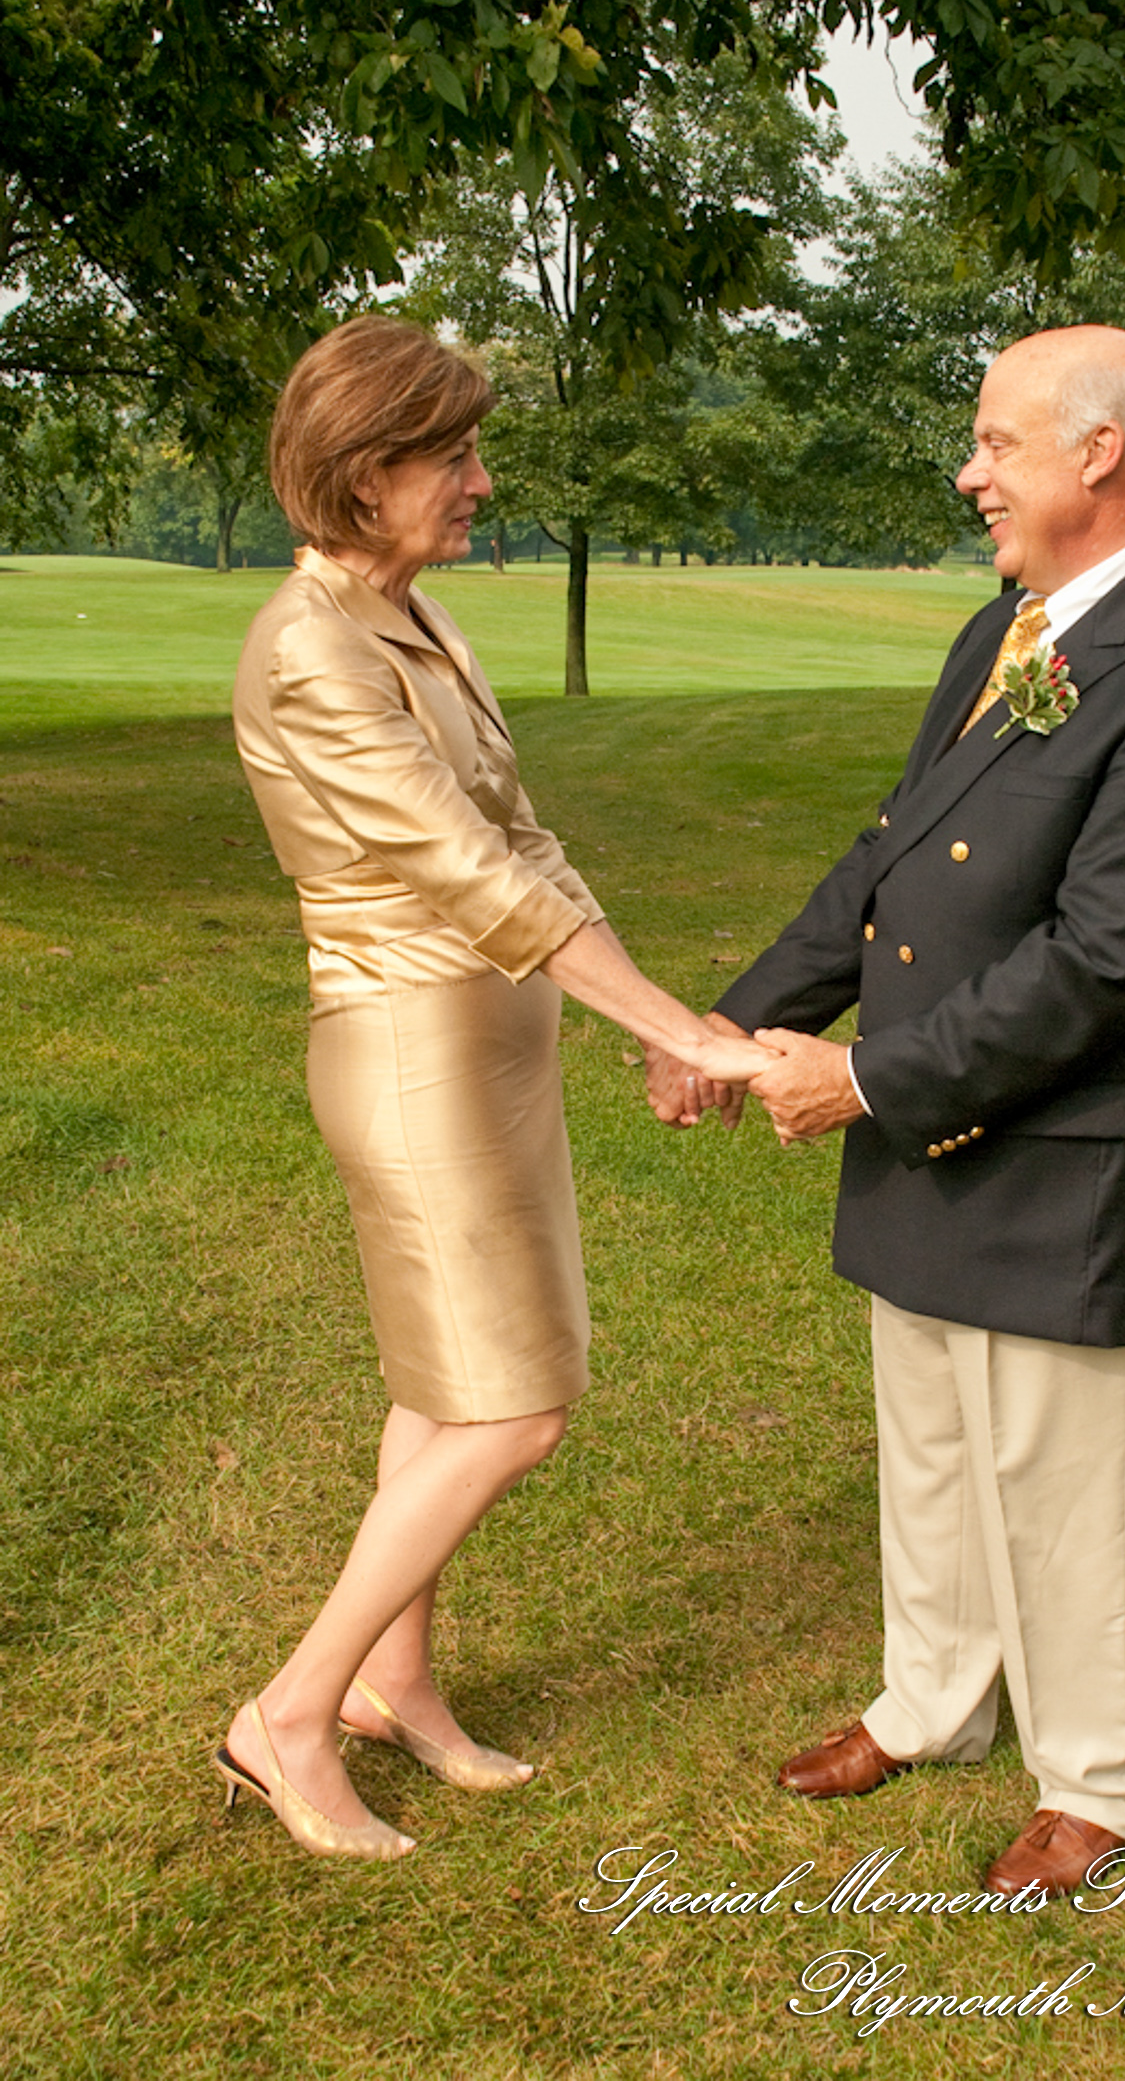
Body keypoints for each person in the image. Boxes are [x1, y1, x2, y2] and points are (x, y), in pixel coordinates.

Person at [654, 325, 1125, 1898]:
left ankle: (1097, 1779)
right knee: (931, 1447)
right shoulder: (1013, 625)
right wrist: (749, 1015)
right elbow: (891, 855)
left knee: (1065, 1488)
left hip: (1069, 1152)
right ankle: (931, 1704)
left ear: (1101, 454)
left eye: (995, 441)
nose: (970, 471)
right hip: (931, 1130)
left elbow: (1108, 962)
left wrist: (861, 1076)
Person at [223, 315, 764, 1860]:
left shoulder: (413, 618)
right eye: (450, 454)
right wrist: (693, 1032)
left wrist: (658, 1020)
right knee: (516, 1410)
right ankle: (289, 1714)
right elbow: (467, 877)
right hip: (412, 1056)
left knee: (439, 1393)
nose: (479, 479)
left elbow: (526, 839)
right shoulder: (312, 647)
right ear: (363, 471)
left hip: (492, 1049)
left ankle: (397, 1687)